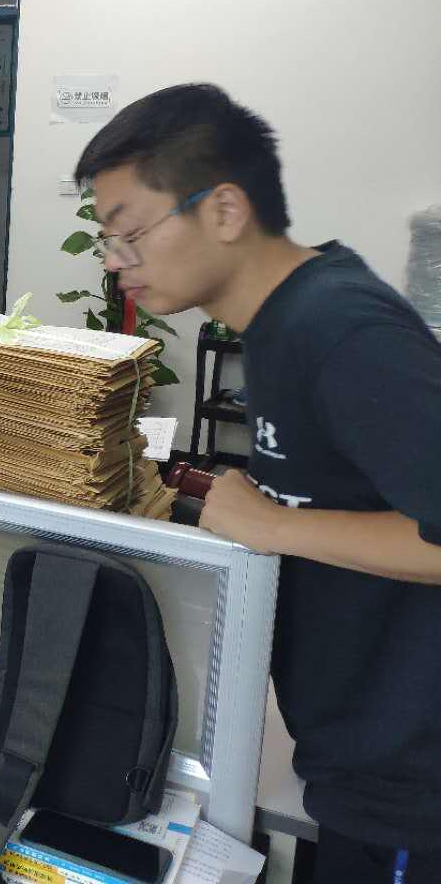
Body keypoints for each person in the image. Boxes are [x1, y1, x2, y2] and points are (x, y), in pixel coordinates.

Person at [74, 84, 441, 884]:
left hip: (410, 792)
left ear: (225, 209)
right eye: (107, 240)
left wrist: (273, 525)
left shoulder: (341, 330)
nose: (113, 261)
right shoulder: (277, 324)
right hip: (351, 757)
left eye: (129, 233)